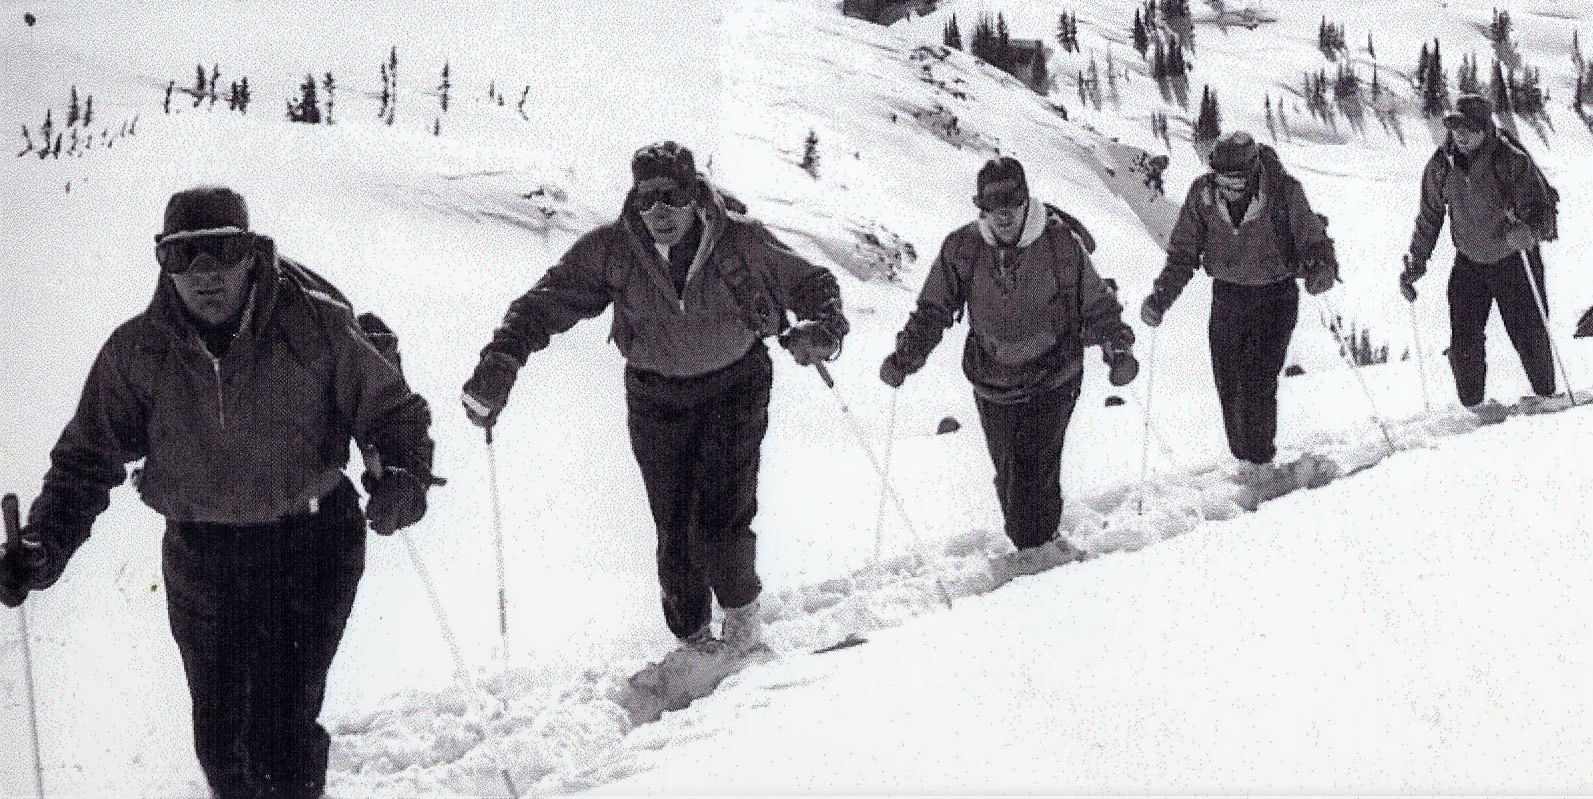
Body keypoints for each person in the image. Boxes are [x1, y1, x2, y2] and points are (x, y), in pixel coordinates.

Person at [0, 186, 433, 799]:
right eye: (182, 257)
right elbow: (84, 461)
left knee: (282, 731)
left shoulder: (317, 327)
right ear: (162, 263)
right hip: (202, 557)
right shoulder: (139, 353)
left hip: (311, 547)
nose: (204, 275)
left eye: (220, 253)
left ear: (251, 253)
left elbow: (392, 410)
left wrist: (404, 478)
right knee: (222, 745)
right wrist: (45, 544)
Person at [461, 141, 846, 651]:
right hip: (655, 399)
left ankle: (743, 622)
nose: (657, 212)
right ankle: (693, 641)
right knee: (674, 526)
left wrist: (826, 329)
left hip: (735, 385)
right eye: (646, 199)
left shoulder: (740, 241)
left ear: (695, 194)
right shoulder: (612, 250)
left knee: (723, 517)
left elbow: (814, 284)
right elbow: (547, 301)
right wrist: (502, 359)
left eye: (671, 196)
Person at [882, 156, 1136, 551]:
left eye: (1011, 205)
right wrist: (906, 357)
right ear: (981, 208)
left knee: (1032, 476)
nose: (1003, 215)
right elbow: (934, 309)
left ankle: (1043, 551)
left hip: (1054, 377)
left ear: (1025, 202)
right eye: (992, 207)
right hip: (992, 382)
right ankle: (1039, 546)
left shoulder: (1059, 244)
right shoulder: (962, 249)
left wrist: (1117, 350)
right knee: (1010, 479)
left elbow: (1097, 303)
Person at [1140, 132, 1337, 468]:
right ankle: (1245, 461)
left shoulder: (1284, 192)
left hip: (1275, 296)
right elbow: (1183, 253)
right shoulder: (1203, 196)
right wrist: (1160, 298)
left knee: (1260, 381)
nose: (1228, 188)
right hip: (1228, 296)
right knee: (1228, 381)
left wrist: (1322, 268)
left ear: (1254, 170)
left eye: (1236, 180)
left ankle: (1261, 463)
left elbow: (1313, 241)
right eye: (1222, 179)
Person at [1401, 92, 1561, 409]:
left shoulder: (1511, 160)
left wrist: (1529, 232)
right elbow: (1429, 217)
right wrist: (1415, 265)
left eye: (1468, 128)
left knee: (1528, 334)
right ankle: (1472, 409)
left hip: (1513, 262)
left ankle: (1547, 400)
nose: (1460, 135)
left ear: (1484, 128)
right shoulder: (1441, 165)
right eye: (1455, 127)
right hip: (1469, 263)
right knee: (1464, 342)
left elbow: (1548, 214)